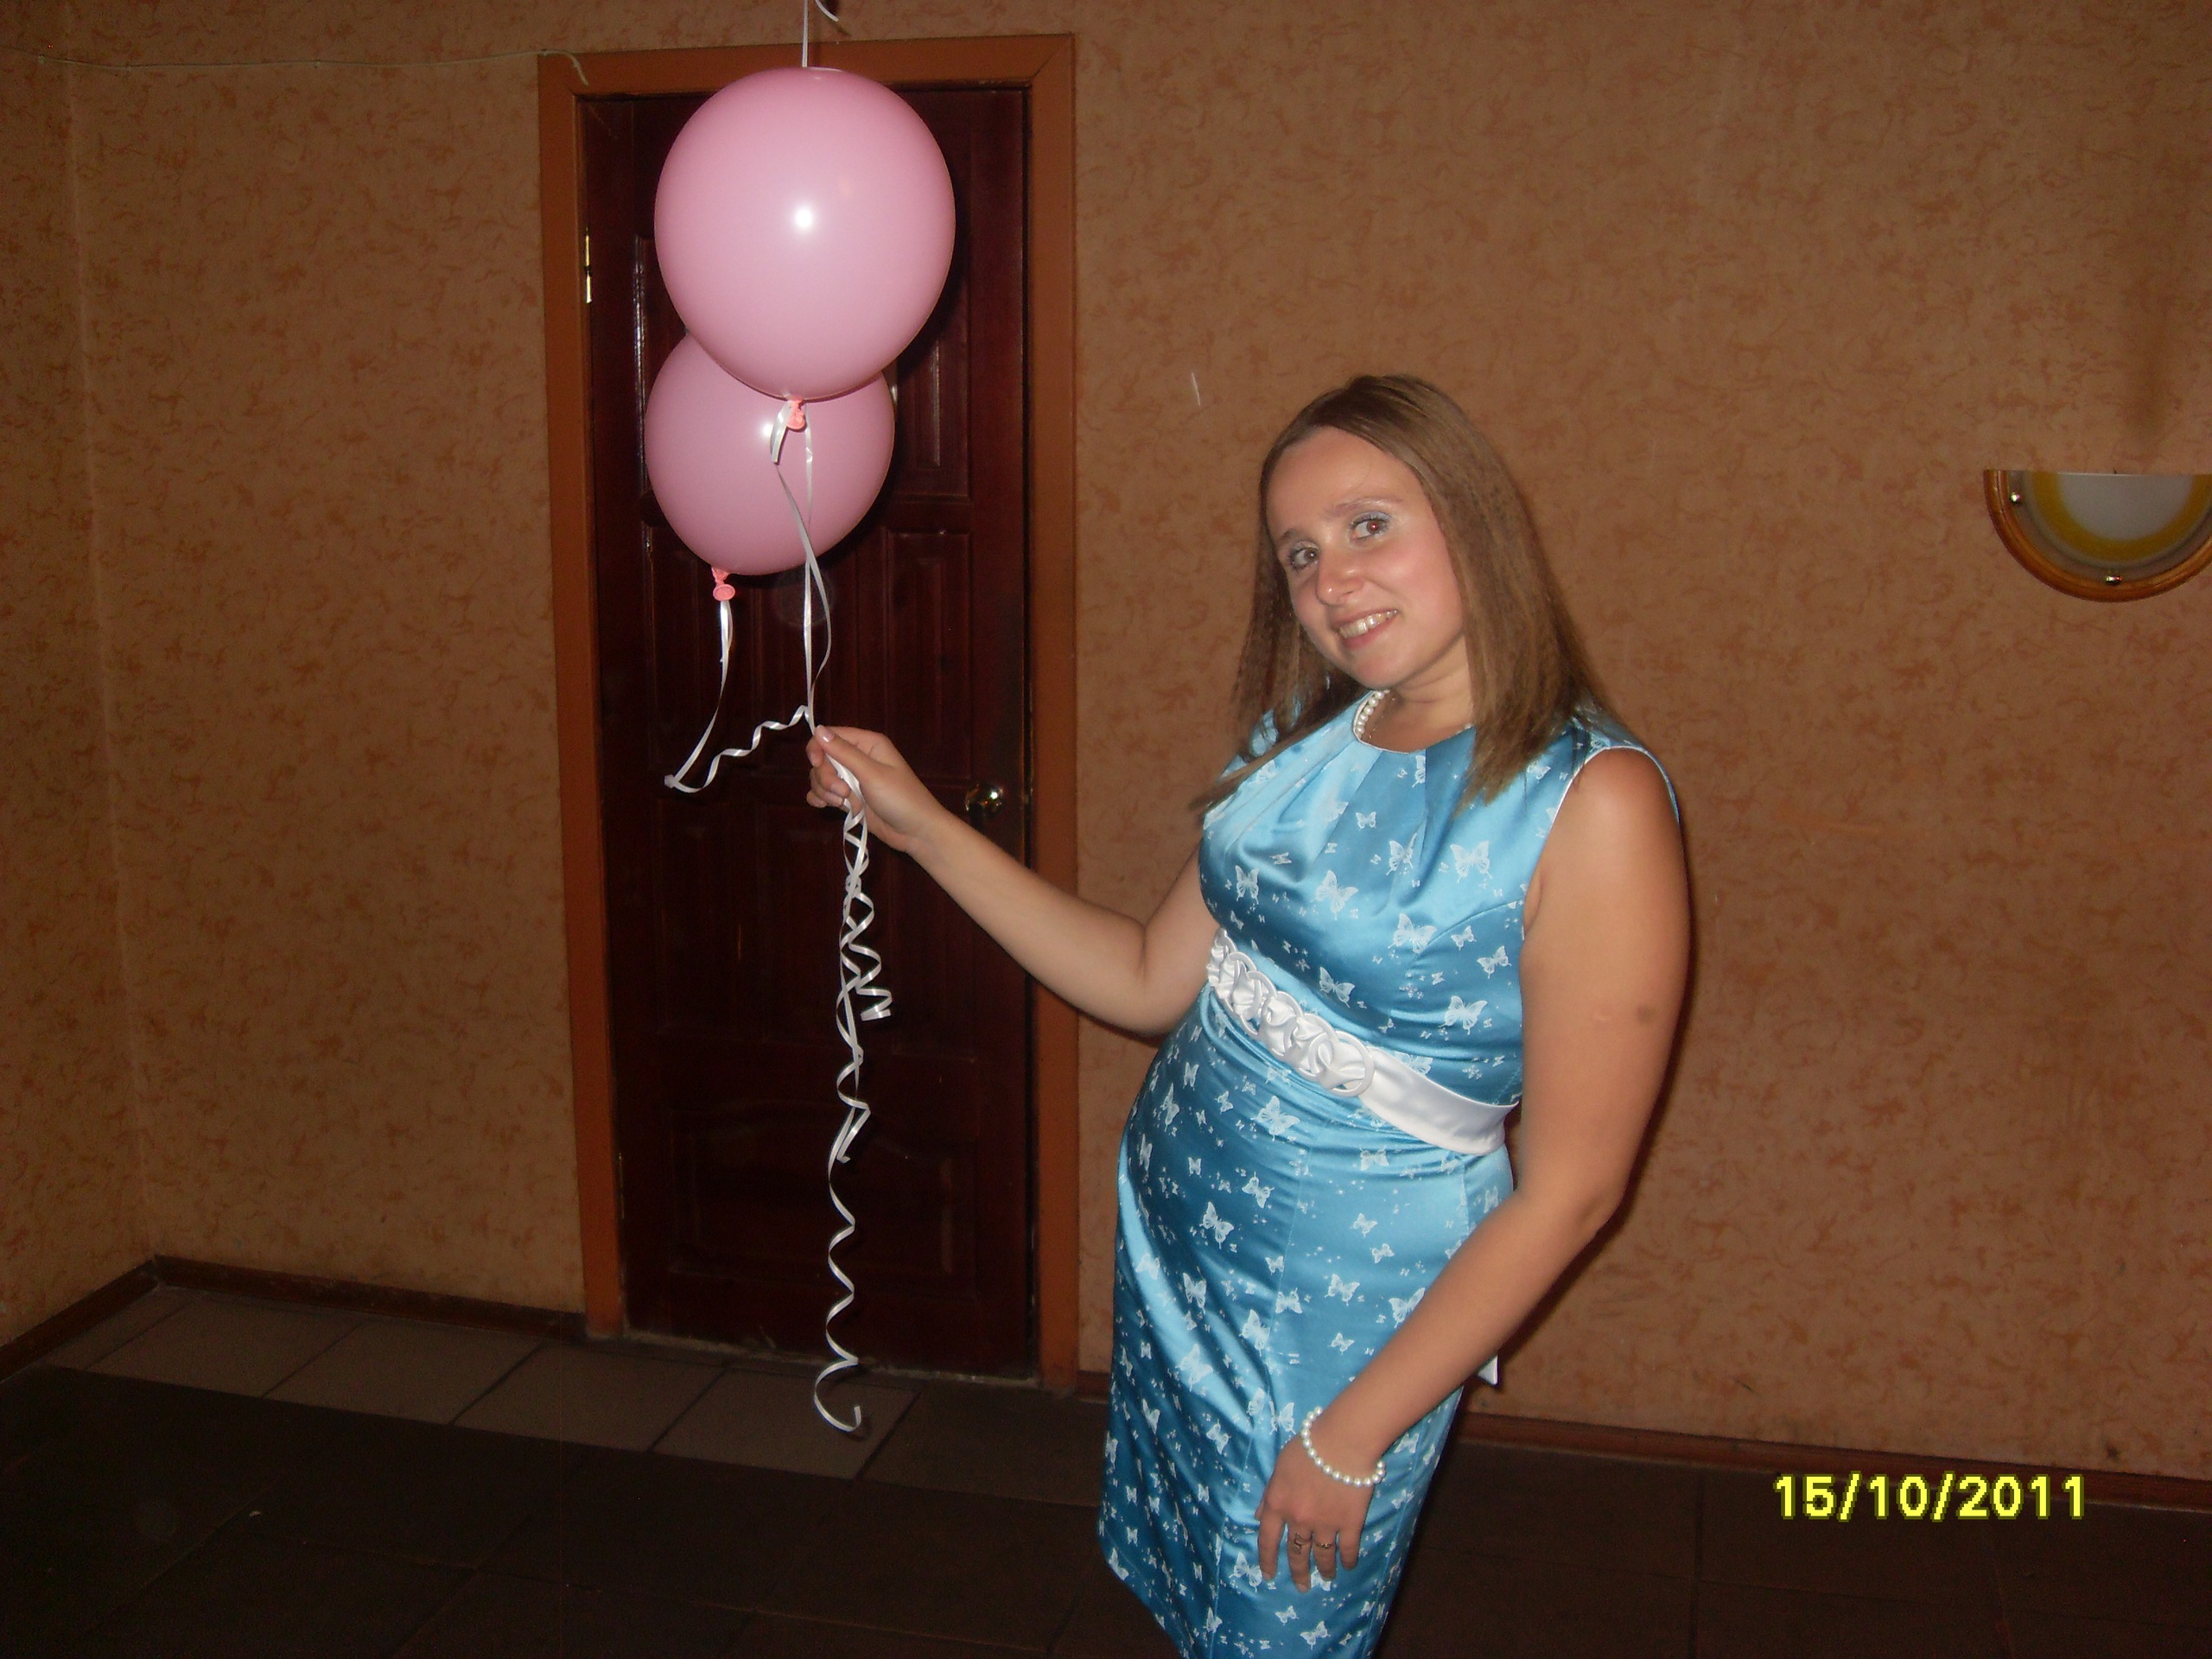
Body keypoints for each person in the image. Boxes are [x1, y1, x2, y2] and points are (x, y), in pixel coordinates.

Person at [805, 373, 1689, 1657]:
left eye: (1369, 525)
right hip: (1184, 1261)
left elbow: (1573, 1193)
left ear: (1474, 518)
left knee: (1281, 1630)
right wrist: (923, 829)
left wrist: (1349, 1437)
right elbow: (1143, 978)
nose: (1332, 580)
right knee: (1201, 1613)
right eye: (1300, 554)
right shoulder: (1308, 738)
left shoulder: (1589, 801)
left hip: (1344, 1324)